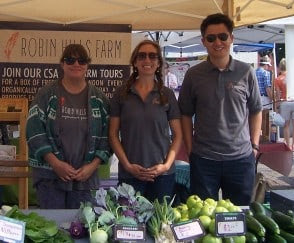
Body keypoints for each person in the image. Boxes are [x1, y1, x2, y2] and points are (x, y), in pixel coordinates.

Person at [178, 13, 262, 205]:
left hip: (241, 159)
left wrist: (255, 146)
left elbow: (256, 110)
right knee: (204, 217)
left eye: (223, 36)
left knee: (240, 216)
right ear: (203, 41)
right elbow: (185, 114)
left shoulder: (246, 72)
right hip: (204, 159)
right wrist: (191, 150)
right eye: (211, 38)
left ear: (231, 38)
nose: (218, 42)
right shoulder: (193, 75)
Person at [26, 44, 111, 209]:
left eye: (82, 60)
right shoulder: (46, 94)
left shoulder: (99, 99)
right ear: (62, 64)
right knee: (52, 229)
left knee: (81, 228)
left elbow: (108, 137)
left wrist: (92, 166)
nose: (76, 64)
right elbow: (33, 131)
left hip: (84, 178)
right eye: (70, 59)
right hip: (50, 176)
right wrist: (56, 163)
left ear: (88, 65)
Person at [109, 40, 182, 202]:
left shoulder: (167, 94)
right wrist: (127, 165)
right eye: (141, 56)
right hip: (130, 175)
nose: (147, 60)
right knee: (131, 224)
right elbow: (113, 135)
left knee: (161, 225)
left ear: (158, 63)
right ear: (135, 62)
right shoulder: (121, 94)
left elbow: (178, 135)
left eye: (152, 56)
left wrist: (166, 165)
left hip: (162, 175)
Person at [275, 58, 294, 151]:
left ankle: (288, 145)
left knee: (286, 125)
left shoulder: (278, 79)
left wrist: (277, 105)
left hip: (285, 102)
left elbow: (278, 94)